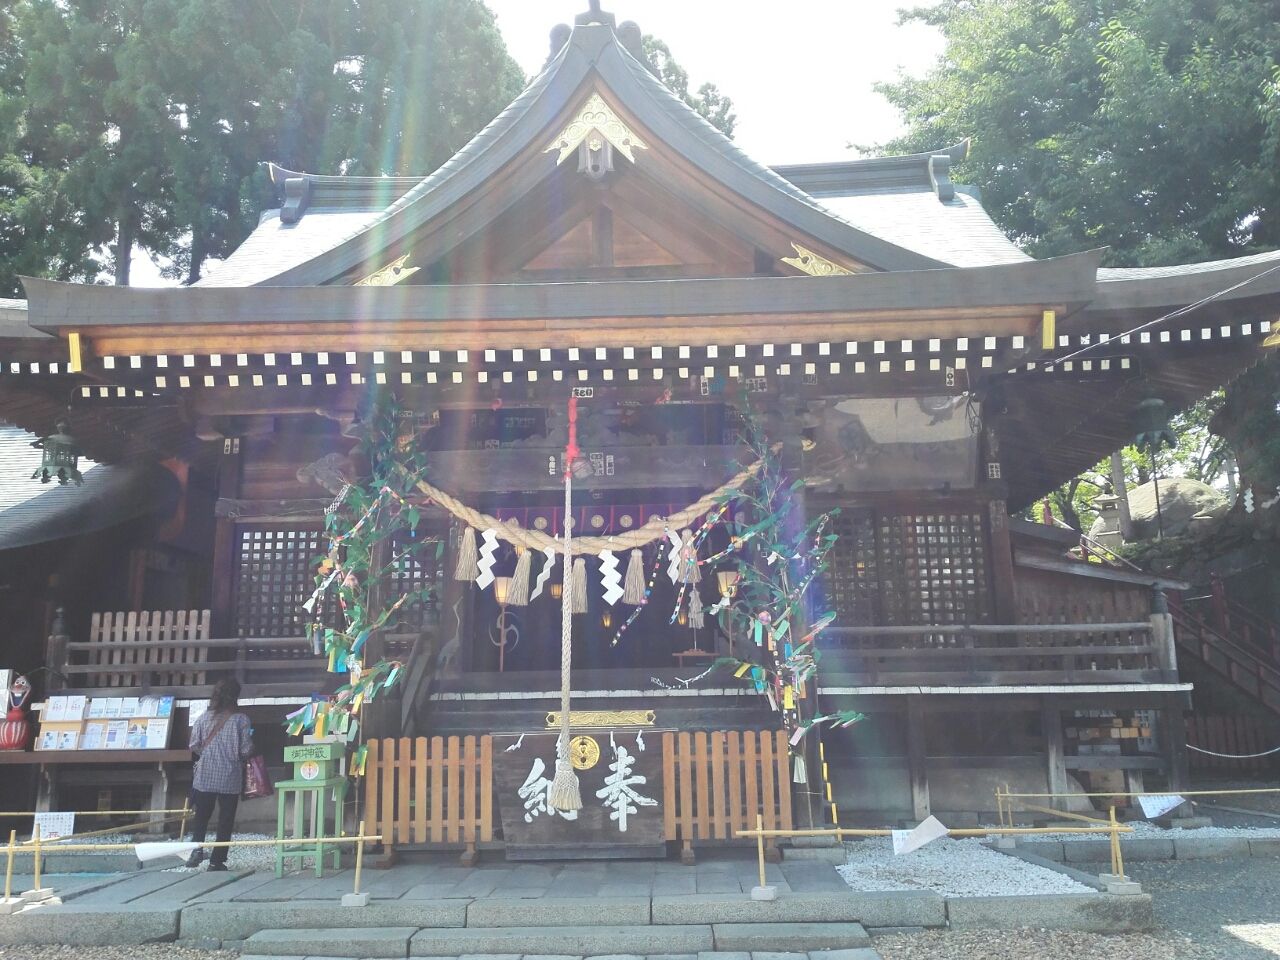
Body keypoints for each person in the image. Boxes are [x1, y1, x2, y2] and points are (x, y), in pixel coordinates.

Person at [186, 678, 253, 870]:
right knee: (226, 819)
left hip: (204, 775)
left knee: (201, 816)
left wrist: (208, 754)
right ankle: (217, 860)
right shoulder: (241, 720)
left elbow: (194, 745)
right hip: (229, 776)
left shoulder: (203, 718)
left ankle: (196, 849)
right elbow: (245, 749)